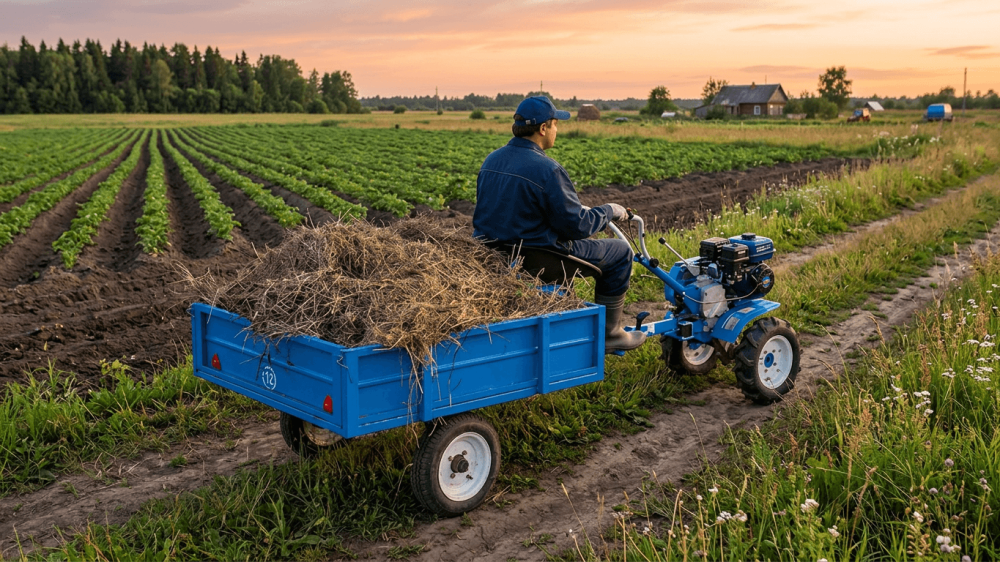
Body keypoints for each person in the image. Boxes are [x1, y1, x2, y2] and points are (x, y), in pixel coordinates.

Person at [473, 96, 646, 352]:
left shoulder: (492, 160)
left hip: (496, 253)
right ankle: (611, 334)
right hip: (539, 258)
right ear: (543, 128)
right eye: (555, 125)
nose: (556, 131)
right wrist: (609, 211)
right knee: (620, 252)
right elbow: (575, 227)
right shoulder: (548, 169)